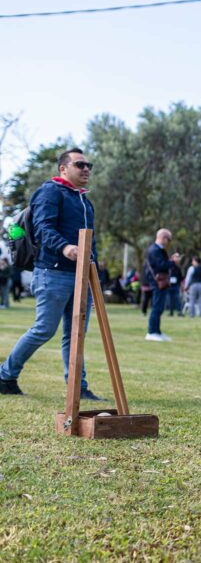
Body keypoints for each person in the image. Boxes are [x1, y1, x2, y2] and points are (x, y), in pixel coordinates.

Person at [0, 148, 105, 400]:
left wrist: (94, 267)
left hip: (82, 275)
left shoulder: (83, 200)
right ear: (63, 168)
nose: (86, 169)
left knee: (76, 333)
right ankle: (5, 375)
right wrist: (65, 247)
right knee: (44, 329)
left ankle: (78, 389)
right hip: (53, 272)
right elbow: (43, 229)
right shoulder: (50, 191)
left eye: (88, 164)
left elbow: (90, 240)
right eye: (80, 164)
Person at [144, 229, 175, 342]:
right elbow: (160, 266)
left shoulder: (158, 250)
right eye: (168, 239)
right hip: (157, 282)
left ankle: (157, 331)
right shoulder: (155, 250)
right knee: (156, 307)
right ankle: (151, 332)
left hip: (160, 282)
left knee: (160, 307)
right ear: (163, 237)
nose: (168, 242)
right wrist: (173, 262)